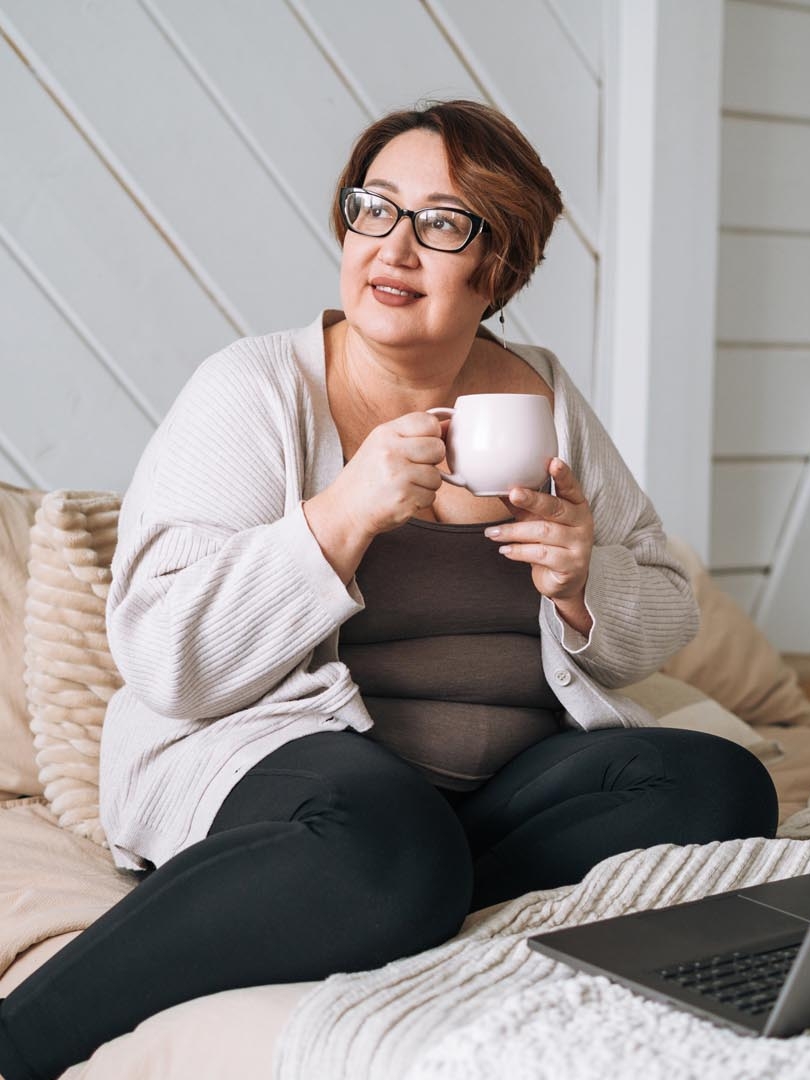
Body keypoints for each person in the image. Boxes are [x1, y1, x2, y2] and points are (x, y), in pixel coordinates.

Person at [0, 99, 777, 1079]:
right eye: (375, 209)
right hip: (283, 763)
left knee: (717, 780)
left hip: (483, 800)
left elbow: (664, 603)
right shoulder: (255, 390)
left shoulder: (539, 394)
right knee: (381, 840)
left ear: (497, 268)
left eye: (441, 222)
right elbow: (163, 655)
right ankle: (20, 1044)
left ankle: (381, 886)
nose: (395, 247)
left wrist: (586, 580)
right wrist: (341, 516)